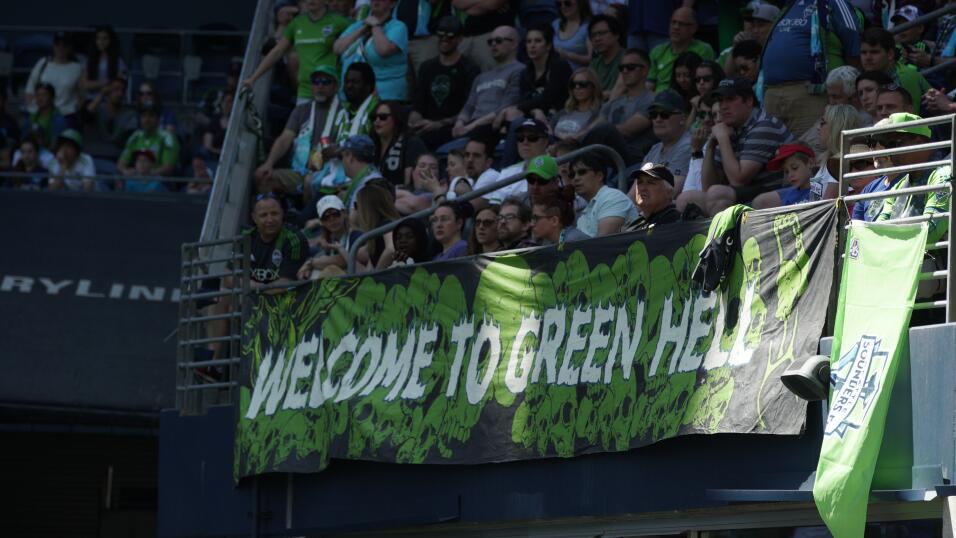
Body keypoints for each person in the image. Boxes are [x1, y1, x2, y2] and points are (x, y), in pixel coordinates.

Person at [680, 77, 793, 216]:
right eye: (720, 100)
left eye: (730, 99)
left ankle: (722, 238)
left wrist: (722, 139)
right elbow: (708, 187)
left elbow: (738, 180)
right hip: (748, 194)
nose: (723, 106)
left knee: (718, 195)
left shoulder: (763, 125)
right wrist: (711, 145)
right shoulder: (729, 128)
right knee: (686, 199)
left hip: (776, 196)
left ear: (749, 101)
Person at [760, 0, 860, 139]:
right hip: (772, 94)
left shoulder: (835, 2)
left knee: (811, 152)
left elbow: (854, 47)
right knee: (774, 157)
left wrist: (848, 90)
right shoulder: (789, 5)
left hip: (811, 94)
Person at [254, 65, 342, 197]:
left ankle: (303, 216)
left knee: (310, 182)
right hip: (299, 171)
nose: (320, 86)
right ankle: (276, 212)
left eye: (326, 82)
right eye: (316, 82)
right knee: (264, 177)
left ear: (335, 87)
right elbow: (284, 139)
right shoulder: (302, 110)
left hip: (328, 172)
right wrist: (269, 163)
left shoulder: (343, 113)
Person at [242, 0, 351, 104]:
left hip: (330, 90)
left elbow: (358, 33)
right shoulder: (297, 23)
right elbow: (277, 51)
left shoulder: (338, 21)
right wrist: (253, 78)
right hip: (305, 90)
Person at [873, 113, 952, 246]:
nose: (888, 152)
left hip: (935, 262)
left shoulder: (943, 175)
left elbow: (930, 232)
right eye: (886, 146)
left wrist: (889, 242)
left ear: (918, 142)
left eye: (893, 144)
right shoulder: (898, 185)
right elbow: (877, 230)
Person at [408, 16, 481, 149]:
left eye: (450, 37)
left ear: (460, 39)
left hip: (452, 128)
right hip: (424, 126)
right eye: (440, 36)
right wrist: (415, 118)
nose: (444, 40)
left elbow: (470, 108)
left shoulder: (469, 69)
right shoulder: (427, 67)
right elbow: (418, 103)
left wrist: (439, 123)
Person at [850, 115, 933, 222]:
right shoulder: (868, 190)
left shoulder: (919, 180)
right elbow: (855, 231)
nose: (877, 149)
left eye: (885, 142)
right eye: (872, 142)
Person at [451, 26, 524, 141]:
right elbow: (469, 107)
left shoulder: (520, 70)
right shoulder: (481, 77)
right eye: (490, 41)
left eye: (498, 41)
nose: (493, 44)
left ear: (514, 44)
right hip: (471, 128)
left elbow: (506, 107)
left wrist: (470, 127)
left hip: (493, 127)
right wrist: (459, 123)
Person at [496, 24, 573, 130]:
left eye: (537, 41)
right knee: (512, 116)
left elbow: (548, 98)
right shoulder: (526, 72)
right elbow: (524, 100)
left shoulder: (559, 66)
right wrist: (535, 110)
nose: (532, 45)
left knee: (513, 114)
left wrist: (521, 107)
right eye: (529, 41)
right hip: (535, 116)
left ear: (548, 45)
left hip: (562, 117)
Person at [334, 0, 408, 101]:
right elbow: (338, 49)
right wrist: (363, 28)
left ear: (392, 4)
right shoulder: (358, 25)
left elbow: (383, 50)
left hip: (385, 98)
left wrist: (375, 26)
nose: (376, 1)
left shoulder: (398, 26)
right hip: (351, 95)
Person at [597, 48, 655, 160]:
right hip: (606, 156)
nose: (625, 71)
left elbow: (627, 130)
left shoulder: (652, 99)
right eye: (621, 68)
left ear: (644, 70)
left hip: (633, 156)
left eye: (630, 67)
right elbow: (596, 126)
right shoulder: (613, 102)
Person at [859, 27, 931, 115]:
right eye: (863, 52)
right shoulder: (871, 76)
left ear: (890, 54)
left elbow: (910, 119)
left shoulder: (905, 77)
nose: (868, 58)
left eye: (874, 52)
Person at [634, 89, 692, 193]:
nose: (658, 119)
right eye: (654, 114)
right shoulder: (655, 149)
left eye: (665, 114)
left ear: (682, 118)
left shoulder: (688, 146)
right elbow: (634, 191)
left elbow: (670, 192)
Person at [648, 7, 714, 92]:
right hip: (658, 100)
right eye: (673, 22)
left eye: (681, 24)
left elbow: (705, 82)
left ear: (693, 28)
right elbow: (649, 84)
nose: (676, 27)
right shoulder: (657, 51)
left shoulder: (703, 50)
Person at [571, 152, 638, 236]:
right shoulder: (583, 216)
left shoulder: (612, 197)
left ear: (599, 176)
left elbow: (602, 242)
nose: (575, 178)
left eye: (582, 172)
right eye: (572, 175)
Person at [25, 32, 83, 123]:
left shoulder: (77, 68)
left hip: (65, 115)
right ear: (53, 46)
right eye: (57, 44)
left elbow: (81, 94)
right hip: (39, 114)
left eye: (64, 45)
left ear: (69, 47)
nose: (61, 48)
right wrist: (34, 109)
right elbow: (30, 89)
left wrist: (74, 109)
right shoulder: (43, 62)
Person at [297, 194, 362, 276]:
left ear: (344, 213)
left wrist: (311, 262)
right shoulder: (329, 241)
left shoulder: (357, 236)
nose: (331, 219)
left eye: (335, 214)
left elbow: (344, 260)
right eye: (326, 217)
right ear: (322, 222)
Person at [370, 100, 428, 187]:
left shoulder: (411, 143)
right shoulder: (371, 144)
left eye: (383, 117)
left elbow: (410, 183)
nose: (377, 120)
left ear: (396, 118)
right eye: (374, 117)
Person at [751, 143, 827, 209]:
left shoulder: (821, 189)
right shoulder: (788, 196)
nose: (790, 175)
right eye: (786, 172)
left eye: (794, 168)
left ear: (810, 163)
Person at [494, 119, 553, 202]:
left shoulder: (557, 166)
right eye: (520, 138)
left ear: (545, 141)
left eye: (532, 137)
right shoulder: (507, 172)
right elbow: (495, 204)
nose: (525, 142)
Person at [452, 0, 518, 72]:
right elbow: (457, 3)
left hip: (492, 36)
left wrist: (468, 6)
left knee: (491, 77)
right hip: (466, 36)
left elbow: (492, 4)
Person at [718, 2, 780, 76]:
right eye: (752, 24)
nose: (755, 30)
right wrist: (736, 47)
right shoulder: (731, 51)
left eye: (760, 25)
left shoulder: (780, 49)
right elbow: (726, 77)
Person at [117, 106, 181, 177]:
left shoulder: (167, 137)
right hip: (137, 179)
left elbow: (168, 168)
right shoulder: (135, 137)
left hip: (159, 180)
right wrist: (125, 171)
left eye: (151, 116)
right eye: (143, 116)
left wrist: (147, 174)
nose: (147, 120)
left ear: (158, 119)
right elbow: (121, 163)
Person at [84, 77, 138, 159]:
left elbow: (127, 138)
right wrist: (101, 95)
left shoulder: (130, 114)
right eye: (116, 89)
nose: (119, 93)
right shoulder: (97, 108)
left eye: (122, 90)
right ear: (107, 90)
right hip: (94, 155)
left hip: (116, 157)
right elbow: (86, 115)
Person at [353, 182, 400, 270]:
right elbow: (369, 271)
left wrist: (376, 274)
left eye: (356, 205)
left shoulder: (386, 223)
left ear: (367, 207)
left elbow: (391, 249)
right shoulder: (374, 233)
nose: (356, 210)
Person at [626, 163, 685, 231]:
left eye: (650, 183)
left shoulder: (676, 222)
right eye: (640, 182)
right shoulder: (636, 223)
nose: (642, 188)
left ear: (669, 192)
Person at [338, 134, 390, 212]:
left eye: (342, 156)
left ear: (350, 156)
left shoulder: (366, 186)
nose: (342, 161)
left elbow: (354, 222)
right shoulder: (370, 177)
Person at [552, 68, 604, 142]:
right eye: (573, 84)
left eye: (582, 84)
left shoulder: (599, 114)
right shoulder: (564, 112)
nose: (577, 87)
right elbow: (549, 131)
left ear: (593, 86)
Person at [80, 26, 127, 102]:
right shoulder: (89, 61)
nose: (101, 41)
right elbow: (85, 85)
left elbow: (119, 84)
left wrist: (95, 85)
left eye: (105, 38)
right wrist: (106, 82)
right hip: (90, 101)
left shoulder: (118, 61)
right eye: (98, 38)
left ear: (111, 40)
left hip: (110, 102)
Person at [588, 15, 625, 97]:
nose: (597, 38)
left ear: (616, 34)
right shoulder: (594, 64)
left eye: (602, 33)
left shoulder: (628, 59)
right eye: (593, 35)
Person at [23, 83, 67, 149]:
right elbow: (24, 139)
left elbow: (56, 146)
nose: (40, 98)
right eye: (38, 95)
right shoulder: (31, 117)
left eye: (44, 95)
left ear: (52, 98)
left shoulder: (58, 119)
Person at [553, 0, 594, 70]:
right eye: (559, 4)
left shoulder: (589, 27)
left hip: (579, 76)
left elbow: (592, 59)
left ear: (580, 3)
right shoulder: (555, 24)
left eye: (567, 3)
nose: (563, 7)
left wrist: (567, 55)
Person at [464, 136, 500, 211]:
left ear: (488, 162)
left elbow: (469, 209)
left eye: (476, 156)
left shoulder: (491, 176)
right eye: (467, 155)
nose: (470, 160)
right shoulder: (469, 179)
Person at [688, 60, 724, 130]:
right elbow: (687, 133)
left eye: (706, 79)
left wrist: (702, 106)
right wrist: (694, 108)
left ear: (716, 78)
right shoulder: (697, 99)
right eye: (698, 79)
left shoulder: (724, 99)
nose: (701, 82)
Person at [200, 90, 233, 161]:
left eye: (230, 101)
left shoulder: (237, 122)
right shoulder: (214, 122)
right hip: (216, 158)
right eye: (225, 101)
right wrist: (221, 153)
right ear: (221, 103)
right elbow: (207, 146)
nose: (226, 104)